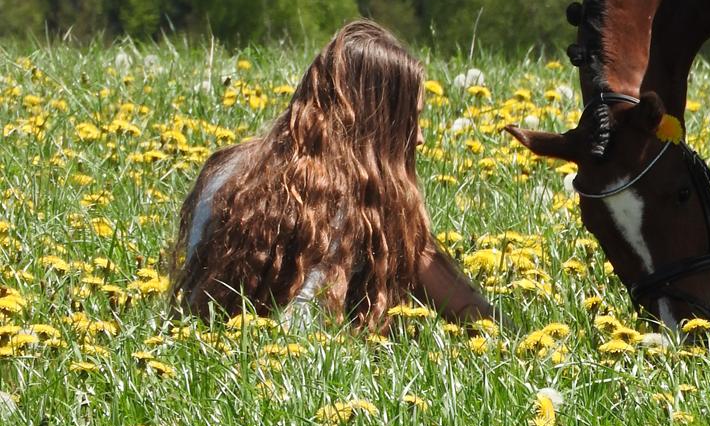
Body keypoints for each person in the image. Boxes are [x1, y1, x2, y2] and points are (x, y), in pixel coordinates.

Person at [169, 20, 493, 327]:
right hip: (300, 368)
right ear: (379, 124)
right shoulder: (359, 196)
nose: (420, 137)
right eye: (413, 119)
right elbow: (466, 308)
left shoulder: (225, 170)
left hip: (201, 350)